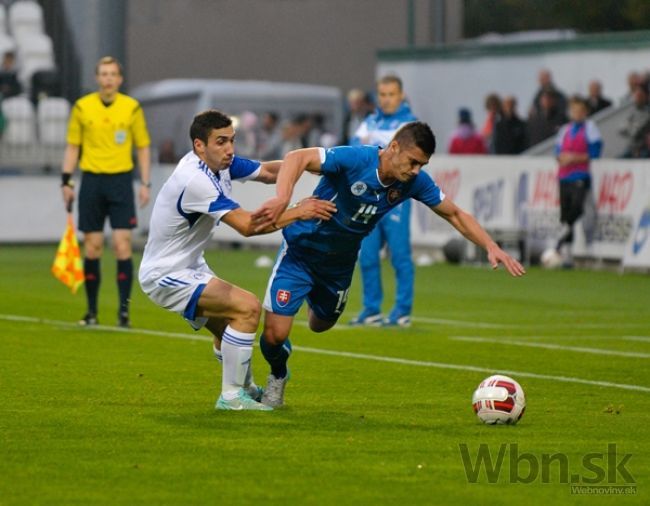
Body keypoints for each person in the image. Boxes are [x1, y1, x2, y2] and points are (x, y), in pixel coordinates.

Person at [252, 121, 526, 407]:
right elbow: (298, 157)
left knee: (319, 325)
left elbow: (455, 214)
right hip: (301, 251)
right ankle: (278, 374)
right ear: (394, 148)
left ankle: (307, 298)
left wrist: (491, 246)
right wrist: (283, 200)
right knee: (275, 335)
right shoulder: (355, 159)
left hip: (339, 266)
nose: (416, 170)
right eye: (413, 162)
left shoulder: (413, 182)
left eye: (422, 165)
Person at [138, 109, 336, 411]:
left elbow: (270, 173)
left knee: (227, 327)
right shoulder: (195, 180)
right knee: (248, 307)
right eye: (220, 142)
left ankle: (243, 387)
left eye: (232, 140)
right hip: (167, 273)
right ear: (199, 146)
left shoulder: (221, 164)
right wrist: (299, 210)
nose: (229, 149)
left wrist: (316, 165)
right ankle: (231, 398)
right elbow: (247, 226)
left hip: (187, 265)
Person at [61, 56, 151, 328]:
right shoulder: (82, 107)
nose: (108, 78)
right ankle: (91, 312)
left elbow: (143, 147)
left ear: (120, 79)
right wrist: (66, 181)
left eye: (113, 74)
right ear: (97, 78)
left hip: (121, 182)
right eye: (103, 74)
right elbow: (73, 147)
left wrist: (145, 184)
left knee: (122, 245)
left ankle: (124, 313)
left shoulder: (132, 108)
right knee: (93, 247)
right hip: (91, 182)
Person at [349, 74, 418, 327]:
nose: (387, 100)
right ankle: (372, 309)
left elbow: (403, 157)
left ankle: (402, 311)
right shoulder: (370, 120)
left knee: (400, 255)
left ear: (401, 96)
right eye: (383, 94)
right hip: (369, 196)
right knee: (366, 255)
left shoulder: (410, 124)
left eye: (391, 94)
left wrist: (374, 147)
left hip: (397, 197)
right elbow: (355, 148)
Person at [553, 96, 602, 267]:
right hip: (564, 175)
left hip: (580, 175)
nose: (577, 113)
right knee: (566, 211)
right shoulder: (565, 130)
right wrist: (562, 159)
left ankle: (564, 231)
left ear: (585, 112)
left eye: (580, 110)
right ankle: (567, 255)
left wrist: (574, 158)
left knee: (577, 207)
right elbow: (557, 152)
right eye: (574, 110)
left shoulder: (591, 128)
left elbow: (595, 153)